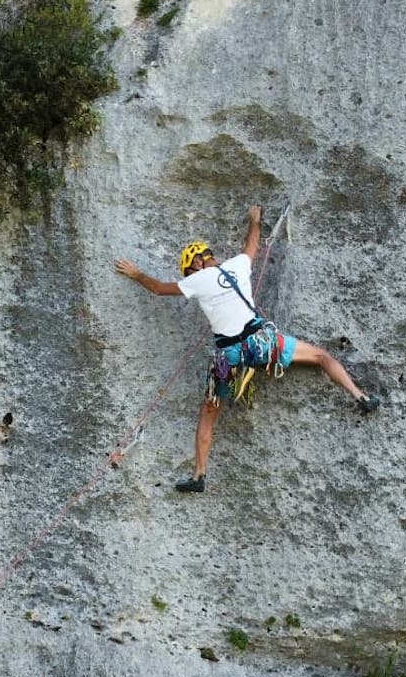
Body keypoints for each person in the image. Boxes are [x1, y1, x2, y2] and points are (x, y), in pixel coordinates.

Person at [115, 205, 380, 493]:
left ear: (196, 263)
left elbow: (157, 288)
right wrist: (255, 220)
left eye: (189, 269)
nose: (190, 273)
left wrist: (136, 273)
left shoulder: (196, 280)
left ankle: (199, 475)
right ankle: (361, 396)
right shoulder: (238, 265)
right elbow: (252, 244)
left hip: (228, 356)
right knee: (320, 356)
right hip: (260, 344)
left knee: (209, 411)